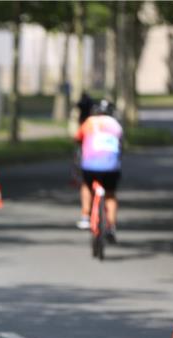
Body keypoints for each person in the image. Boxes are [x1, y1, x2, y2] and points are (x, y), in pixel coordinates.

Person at [74, 99, 123, 243]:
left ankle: (85, 216)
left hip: (90, 166)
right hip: (111, 167)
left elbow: (77, 138)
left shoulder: (89, 122)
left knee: (86, 185)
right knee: (110, 196)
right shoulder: (116, 125)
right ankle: (111, 226)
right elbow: (121, 144)